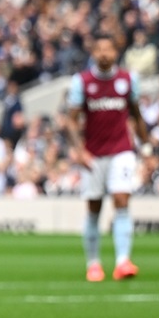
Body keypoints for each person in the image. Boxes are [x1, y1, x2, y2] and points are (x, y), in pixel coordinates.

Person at [63, 33, 151, 283]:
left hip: (121, 150)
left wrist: (146, 149)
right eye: (99, 49)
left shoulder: (127, 80)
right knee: (94, 207)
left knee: (122, 200)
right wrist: (79, 151)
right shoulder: (82, 82)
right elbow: (71, 121)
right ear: (93, 53)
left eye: (108, 49)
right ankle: (93, 264)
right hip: (93, 153)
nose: (103, 53)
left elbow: (136, 114)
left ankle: (123, 262)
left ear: (116, 52)